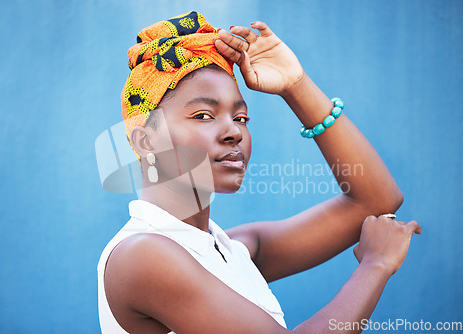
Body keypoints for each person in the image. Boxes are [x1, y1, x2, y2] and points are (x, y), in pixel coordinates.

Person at [97, 11, 421, 334]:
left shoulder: (227, 249)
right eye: (203, 115)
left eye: (241, 118)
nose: (234, 132)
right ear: (147, 141)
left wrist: (296, 85)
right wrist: (375, 266)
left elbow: (376, 201)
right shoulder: (142, 255)